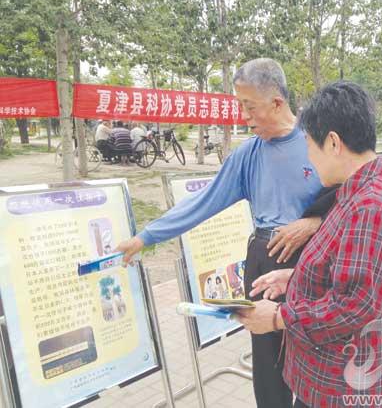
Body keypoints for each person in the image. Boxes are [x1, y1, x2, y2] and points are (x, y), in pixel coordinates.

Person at [116, 58, 334, 408]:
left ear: (277, 103)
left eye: (249, 107)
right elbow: (203, 202)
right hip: (264, 260)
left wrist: (316, 223)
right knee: (267, 361)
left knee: (313, 353)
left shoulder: (320, 143)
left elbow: (352, 200)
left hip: (310, 262)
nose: (244, 118)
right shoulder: (247, 155)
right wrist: (146, 236)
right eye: (240, 107)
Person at [236, 81, 382, 408]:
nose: (308, 158)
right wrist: (294, 276)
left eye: (308, 145)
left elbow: (354, 306)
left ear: (333, 142)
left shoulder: (371, 208)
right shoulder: (358, 191)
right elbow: (346, 268)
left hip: (343, 388)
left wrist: (278, 317)